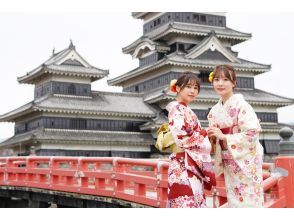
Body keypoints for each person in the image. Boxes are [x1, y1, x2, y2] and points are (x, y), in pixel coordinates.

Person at [207, 64, 264, 207]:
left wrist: (225, 137)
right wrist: (212, 137)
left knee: (249, 201)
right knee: (233, 200)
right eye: (217, 79)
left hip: (245, 161)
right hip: (229, 161)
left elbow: (252, 133)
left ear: (234, 83)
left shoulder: (242, 105)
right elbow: (215, 139)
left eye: (226, 79)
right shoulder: (214, 110)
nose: (220, 83)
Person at [166, 72, 215, 208]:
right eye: (189, 87)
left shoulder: (186, 110)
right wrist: (204, 132)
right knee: (185, 204)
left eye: (196, 88)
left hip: (190, 165)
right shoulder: (175, 110)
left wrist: (207, 134)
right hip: (182, 167)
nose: (193, 91)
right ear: (177, 89)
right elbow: (182, 140)